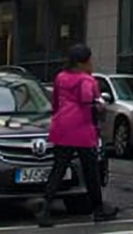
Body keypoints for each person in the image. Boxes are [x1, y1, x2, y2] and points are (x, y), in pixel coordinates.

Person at [37, 44, 116, 227]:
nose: (91, 63)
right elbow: (88, 101)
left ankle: (45, 208)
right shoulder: (87, 80)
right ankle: (98, 209)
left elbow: (55, 103)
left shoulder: (60, 77)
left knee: (58, 169)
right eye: (89, 60)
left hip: (61, 127)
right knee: (91, 171)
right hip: (82, 130)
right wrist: (99, 107)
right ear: (83, 62)